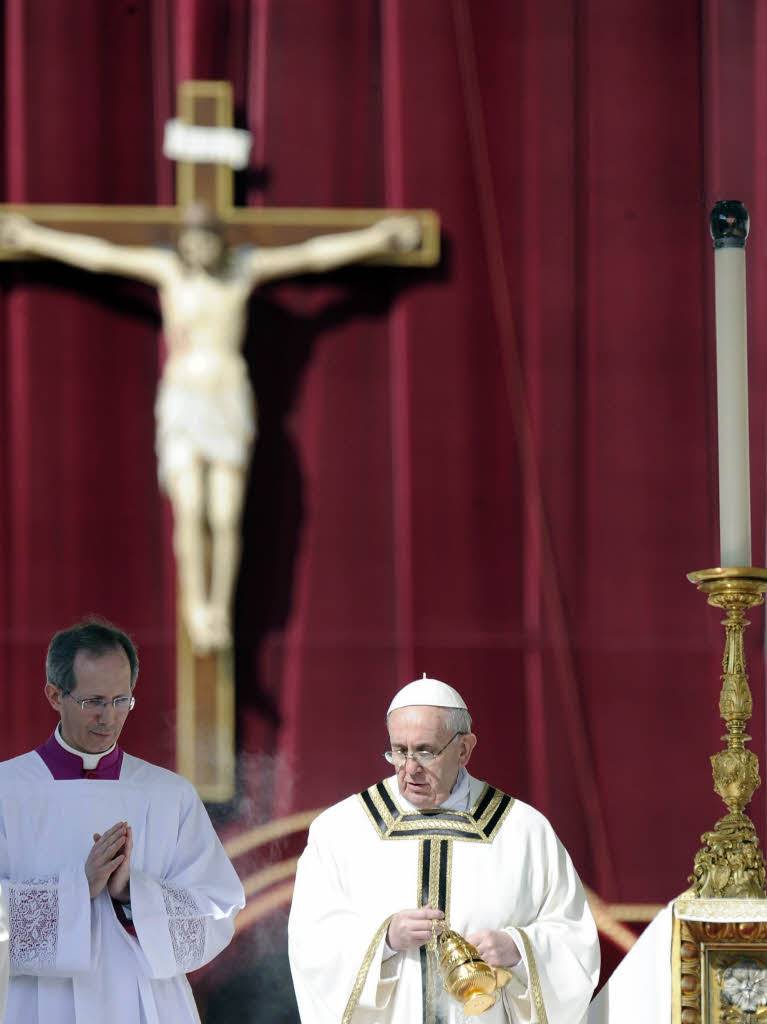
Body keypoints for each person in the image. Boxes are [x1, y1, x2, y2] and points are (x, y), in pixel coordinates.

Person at [0, 207, 422, 654]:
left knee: (224, 513)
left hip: (227, 397)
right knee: (190, 508)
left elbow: (313, 256)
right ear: (182, 243)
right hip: (184, 399)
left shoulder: (242, 270)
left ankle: (218, 607)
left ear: (219, 242)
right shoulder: (166, 271)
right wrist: (33, 238)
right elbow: (100, 257)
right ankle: (196, 608)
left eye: (207, 242)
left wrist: (376, 239)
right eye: (192, 242)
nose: (200, 250)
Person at [288, 676, 599, 1023]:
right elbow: (310, 940)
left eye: (425, 751)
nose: (410, 769)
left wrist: (518, 949)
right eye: (399, 751)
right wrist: (385, 939)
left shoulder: (524, 831)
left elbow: (575, 939)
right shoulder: (342, 830)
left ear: (464, 749)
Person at [0, 618, 245, 1023]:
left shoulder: (168, 794)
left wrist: (133, 894)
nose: (109, 718)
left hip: (145, 1004)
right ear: (54, 695)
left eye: (121, 700)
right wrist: (78, 890)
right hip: (36, 1006)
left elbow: (217, 913)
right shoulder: (8, 789)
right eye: (93, 701)